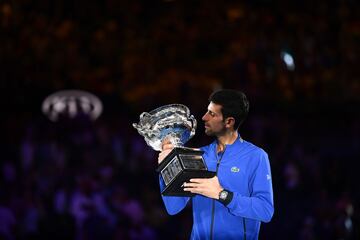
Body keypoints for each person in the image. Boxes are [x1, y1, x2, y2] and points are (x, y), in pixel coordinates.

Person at [158, 89, 274, 240]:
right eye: (207, 111)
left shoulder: (256, 157)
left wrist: (222, 195)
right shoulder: (197, 155)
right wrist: (167, 166)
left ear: (229, 121)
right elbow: (173, 207)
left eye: (212, 114)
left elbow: (265, 211)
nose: (204, 117)